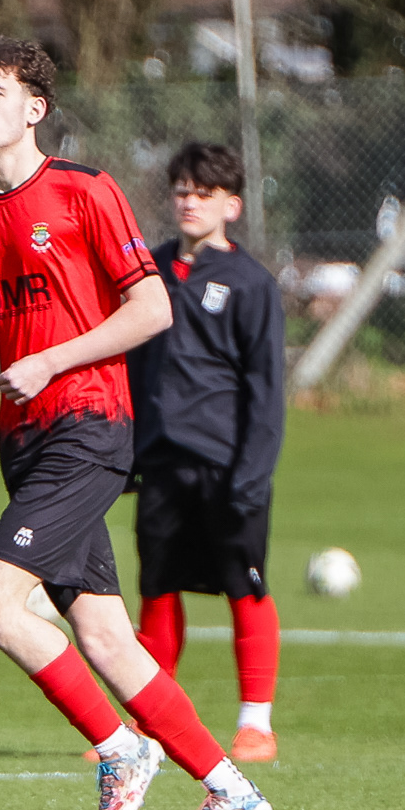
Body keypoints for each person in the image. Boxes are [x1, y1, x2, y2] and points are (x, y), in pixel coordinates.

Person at [0, 35, 272, 810]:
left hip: (88, 428)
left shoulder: (85, 191)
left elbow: (151, 309)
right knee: (106, 636)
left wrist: (52, 360)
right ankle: (233, 791)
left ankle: (120, 749)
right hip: (24, 443)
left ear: (35, 108)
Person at [127, 142, 285, 763]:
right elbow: (132, 363)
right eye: (182, 191)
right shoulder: (149, 271)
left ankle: (256, 725)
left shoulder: (251, 283)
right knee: (158, 589)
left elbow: (265, 390)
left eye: (204, 193)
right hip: (161, 461)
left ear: (232, 206)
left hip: (228, 466)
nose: (189, 202)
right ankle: (149, 722)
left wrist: (253, 472)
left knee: (246, 587)